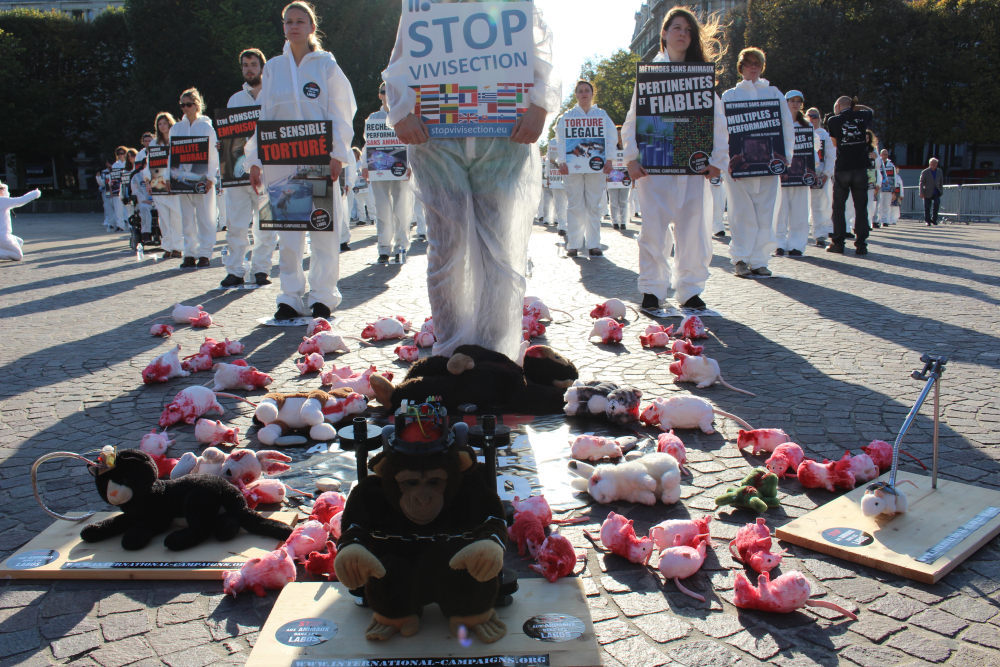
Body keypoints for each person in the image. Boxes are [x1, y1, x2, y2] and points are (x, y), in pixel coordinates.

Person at [384, 0, 559, 362]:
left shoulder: (513, 5)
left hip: (503, 135)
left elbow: (541, 53)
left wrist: (540, 106)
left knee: (500, 249)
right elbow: (400, 63)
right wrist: (400, 111)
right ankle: (452, 349)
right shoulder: (423, 7)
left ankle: (495, 352)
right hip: (437, 137)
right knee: (447, 247)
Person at [247, 1, 356, 320]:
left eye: (300, 21)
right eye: (288, 21)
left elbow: (341, 109)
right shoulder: (274, 68)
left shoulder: (325, 65)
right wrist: (255, 159)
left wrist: (338, 153)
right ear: (283, 27)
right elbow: (264, 115)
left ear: (311, 27)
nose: (294, 26)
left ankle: (323, 295)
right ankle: (290, 296)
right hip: (282, 159)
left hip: (320, 157)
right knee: (289, 232)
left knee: (323, 230)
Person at [624, 7, 729, 308]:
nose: (683, 34)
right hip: (655, 166)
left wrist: (717, 160)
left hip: (693, 168)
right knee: (653, 229)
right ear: (665, 34)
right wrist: (631, 157)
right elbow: (633, 119)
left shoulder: (701, 77)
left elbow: (718, 122)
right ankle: (652, 288)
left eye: (688, 30)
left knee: (694, 228)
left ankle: (690, 289)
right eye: (677, 28)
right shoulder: (650, 77)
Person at [721, 47, 793, 277]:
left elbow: (786, 126)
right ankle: (740, 258)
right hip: (738, 165)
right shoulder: (730, 96)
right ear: (741, 67)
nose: (753, 67)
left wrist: (786, 158)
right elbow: (722, 131)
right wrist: (725, 160)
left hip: (768, 164)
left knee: (765, 212)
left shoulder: (774, 94)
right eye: (749, 63)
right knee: (740, 211)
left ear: (762, 67)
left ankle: (760, 260)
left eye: (757, 63)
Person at [220, 48, 279, 287]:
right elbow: (230, 137)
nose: (249, 69)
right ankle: (235, 269)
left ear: (262, 68)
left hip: (267, 170)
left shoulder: (273, 96)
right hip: (238, 173)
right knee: (235, 224)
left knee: (266, 224)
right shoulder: (235, 100)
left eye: (253, 64)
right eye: (245, 65)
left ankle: (261, 269)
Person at [556, 81, 616, 257]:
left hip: (596, 166)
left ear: (592, 94)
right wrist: (561, 161)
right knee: (575, 204)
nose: (584, 94)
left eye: (587, 90)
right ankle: (574, 243)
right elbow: (560, 140)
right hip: (572, 166)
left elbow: (611, 139)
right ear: (576, 95)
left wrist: (610, 160)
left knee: (593, 204)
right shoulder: (567, 116)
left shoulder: (602, 115)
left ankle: (593, 244)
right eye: (580, 91)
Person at [169, 87, 220, 268]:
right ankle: (189, 252)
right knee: (187, 217)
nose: (184, 108)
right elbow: (172, 154)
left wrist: (211, 178)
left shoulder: (206, 127)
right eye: (182, 105)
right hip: (182, 179)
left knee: (205, 217)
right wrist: (170, 177)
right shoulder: (176, 128)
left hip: (201, 178)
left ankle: (205, 253)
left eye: (188, 104)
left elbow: (213, 154)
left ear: (196, 105)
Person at [364, 83, 413, 263]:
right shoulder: (373, 118)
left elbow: (411, 142)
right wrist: (364, 165)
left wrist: (411, 165)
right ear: (380, 96)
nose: (388, 96)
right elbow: (367, 143)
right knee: (382, 208)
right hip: (378, 170)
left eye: (391, 92)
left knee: (402, 208)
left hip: (401, 169)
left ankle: (401, 245)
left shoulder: (406, 115)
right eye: (384, 92)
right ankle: (384, 247)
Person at [826, 96, 874, 254]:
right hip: (860, 167)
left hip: (843, 167)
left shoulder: (833, 120)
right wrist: (855, 106)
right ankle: (861, 245)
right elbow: (870, 111)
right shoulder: (861, 116)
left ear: (838, 105)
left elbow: (834, 144)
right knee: (861, 208)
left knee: (839, 207)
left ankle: (838, 243)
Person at [774, 90, 812, 257]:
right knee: (780, 210)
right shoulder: (778, 123)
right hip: (782, 173)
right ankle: (778, 243)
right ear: (786, 102)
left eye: (798, 101)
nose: (795, 104)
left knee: (800, 211)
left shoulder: (807, 126)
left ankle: (797, 244)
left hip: (801, 173)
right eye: (792, 101)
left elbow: (814, 150)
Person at [145, 113, 185, 259]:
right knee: (163, 218)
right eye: (159, 123)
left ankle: (178, 247)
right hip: (158, 184)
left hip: (174, 183)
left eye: (164, 123)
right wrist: (147, 181)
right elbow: (149, 163)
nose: (162, 126)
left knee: (176, 217)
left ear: (170, 124)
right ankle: (167, 246)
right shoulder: (154, 143)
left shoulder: (176, 140)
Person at [806, 106, 835, 247]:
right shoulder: (799, 131)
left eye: (815, 116)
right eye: (809, 116)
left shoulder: (824, 135)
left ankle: (820, 234)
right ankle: (799, 235)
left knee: (821, 206)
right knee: (800, 206)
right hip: (802, 175)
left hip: (820, 175)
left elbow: (831, 156)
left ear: (820, 119)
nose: (812, 119)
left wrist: (827, 174)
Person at [0, 183, 41, 261]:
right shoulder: (1, 201)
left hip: (2, 235)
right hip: (2, 236)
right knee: (18, 255)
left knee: (19, 241)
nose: (3, 189)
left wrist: (4, 187)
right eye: (1, 188)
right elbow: (20, 201)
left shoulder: (3, 201)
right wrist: (35, 194)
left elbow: (7, 198)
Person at [608, 126, 630, 231]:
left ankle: (623, 222)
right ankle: (615, 221)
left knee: (623, 201)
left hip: (626, 177)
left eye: (620, 134)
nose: (619, 137)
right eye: (617, 134)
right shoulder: (611, 148)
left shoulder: (628, 148)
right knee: (613, 201)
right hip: (613, 176)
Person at [130, 157, 155, 243]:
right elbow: (135, 191)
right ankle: (146, 234)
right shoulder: (137, 177)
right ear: (144, 165)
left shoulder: (158, 175)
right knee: (145, 209)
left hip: (157, 202)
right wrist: (144, 200)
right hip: (143, 203)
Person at [876, 149, 901, 227]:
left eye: (886, 154)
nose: (885, 156)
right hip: (880, 187)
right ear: (880, 155)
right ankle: (878, 220)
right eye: (884, 154)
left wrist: (894, 188)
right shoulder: (878, 163)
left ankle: (885, 220)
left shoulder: (891, 165)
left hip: (888, 188)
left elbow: (894, 177)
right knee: (879, 205)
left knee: (887, 204)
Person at [110, 146, 129, 232]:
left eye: (122, 153)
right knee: (118, 208)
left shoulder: (128, 163)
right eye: (119, 154)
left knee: (128, 207)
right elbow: (112, 178)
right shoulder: (115, 165)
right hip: (117, 188)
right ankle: (120, 225)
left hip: (127, 186)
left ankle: (130, 224)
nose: (120, 155)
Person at [920, 157, 944, 226]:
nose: (934, 164)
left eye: (935, 163)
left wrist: (941, 191)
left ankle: (934, 220)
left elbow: (941, 182)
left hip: (936, 191)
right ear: (929, 164)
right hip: (927, 191)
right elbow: (921, 183)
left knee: (937, 204)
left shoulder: (939, 171)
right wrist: (921, 192)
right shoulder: (925, 172)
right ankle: (927, 221)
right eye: (932, 163)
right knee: (927, 207)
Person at [97, 160, 115, 231]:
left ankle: (117, 222)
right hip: (106, 190)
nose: (108, 164)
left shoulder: (117, 170)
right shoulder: (104, 172)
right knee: (108, 206)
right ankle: (109, 221)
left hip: (115, 191)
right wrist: (98, 178)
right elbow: (103, 183)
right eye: (107, 162)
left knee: (116, 206)